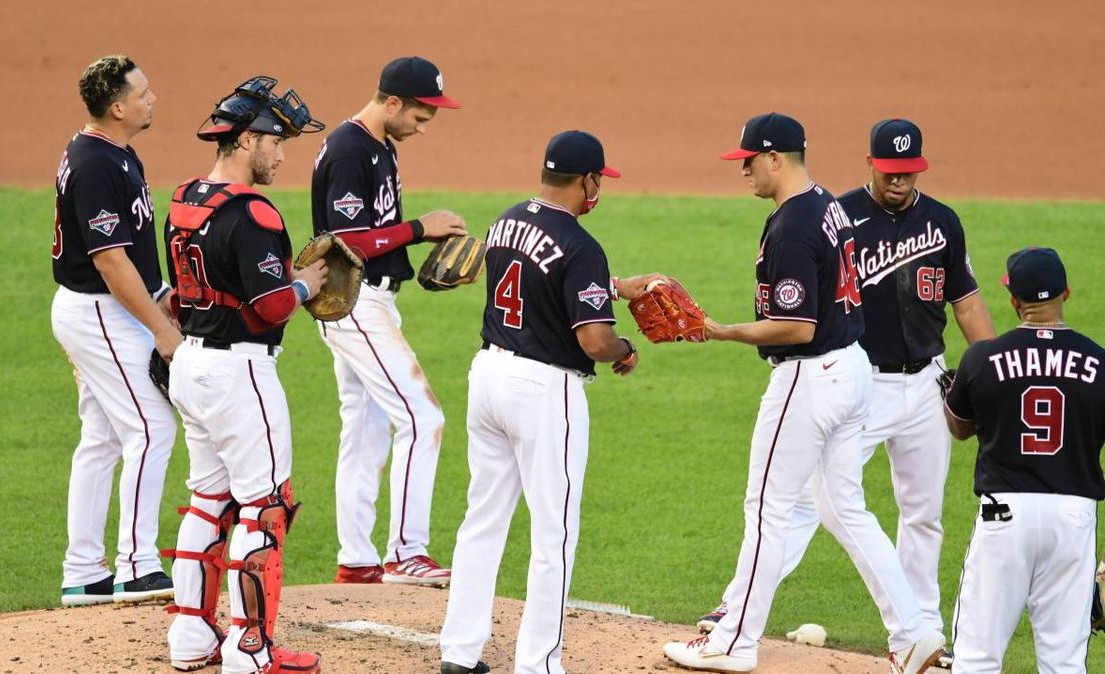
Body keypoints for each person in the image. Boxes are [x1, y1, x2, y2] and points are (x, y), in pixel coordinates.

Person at [697, 119, 996, 666]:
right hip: (865, 378)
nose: (900, 180)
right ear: (871, 164)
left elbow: (967, 305)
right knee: (823, 505)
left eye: (909, 171)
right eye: (890, 171)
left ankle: (918, 629)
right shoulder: (840, 211)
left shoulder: (937, 222)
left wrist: (994, 378)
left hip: (913, 381)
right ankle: (736, 609)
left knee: (913, 512)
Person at [439, 130, 658, 674]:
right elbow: (594, 341)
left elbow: (543, 274)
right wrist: (625, 347)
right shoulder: (583, 244)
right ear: (586, 180)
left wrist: (617, 285)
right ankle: (539, 664)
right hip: (543, 392)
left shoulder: (507, 219)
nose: (598, 189)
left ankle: (459, 652)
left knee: (482, 521)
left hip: (487, 376)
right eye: (598, 180)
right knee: (554, 532)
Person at [160, 76, 328, 673]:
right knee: (265, 507)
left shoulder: (183, 199)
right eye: (276, 142)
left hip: (191, 364)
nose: (281, 155)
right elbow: (273, 305)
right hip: (240, 374)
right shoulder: (254, 212)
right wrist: (310, 283)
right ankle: (251, 648)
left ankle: (191, 637)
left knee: (208, 500)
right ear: (247, 139)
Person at [311, 56, 466, 586]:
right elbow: (347, 240)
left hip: (372, 299)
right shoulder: (351, 149)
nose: (423, 127)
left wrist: (411, 263)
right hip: (353, 303)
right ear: (393, 102)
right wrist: (421, 228)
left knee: (366, 430)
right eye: (421, 116)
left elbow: (376, 234)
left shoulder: (381, 147)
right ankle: (406, 553)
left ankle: (356, 560)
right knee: (424, 418)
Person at [50, 54, 178, 607]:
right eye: (143, 93)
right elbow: (110, 261)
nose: (152, 99)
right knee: (151, 429)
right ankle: (136, 565)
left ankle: (82, 571)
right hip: (101, 311)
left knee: (102, 438)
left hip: (102, 308)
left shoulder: (115, 151)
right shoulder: (97, 163)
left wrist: (163, 296)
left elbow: (136, 253)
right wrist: (161, 330)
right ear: (117, 106)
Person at [944, 247, 1105, 674]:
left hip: (1004, 520)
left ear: (1013, 301)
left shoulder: (983, 358)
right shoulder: (1101, 364)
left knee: (977, 657)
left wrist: (950, 395)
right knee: (1064, 662)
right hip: (1073, 520)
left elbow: (960, 427)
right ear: (1067, 293)